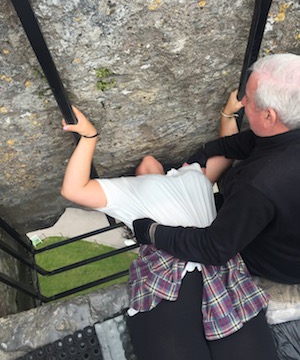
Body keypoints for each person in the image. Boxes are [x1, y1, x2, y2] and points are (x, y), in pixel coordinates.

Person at [60, 92, 278, 360]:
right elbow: (74, 188)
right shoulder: (124, 192)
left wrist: (229, 114)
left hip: (219, 264)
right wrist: (88, 137)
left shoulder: (193, 172)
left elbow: (227, 148)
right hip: (169, 270)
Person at [133, 52, 300, 356]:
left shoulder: (259, 184)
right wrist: (201, 157)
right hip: (286, 220)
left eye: (248, 100)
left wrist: (151, 232)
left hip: (281, 261)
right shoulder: (287, 132)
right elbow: (247, 143)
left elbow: (214, 248)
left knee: (194, 243)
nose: (242, 105)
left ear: (270, 116)